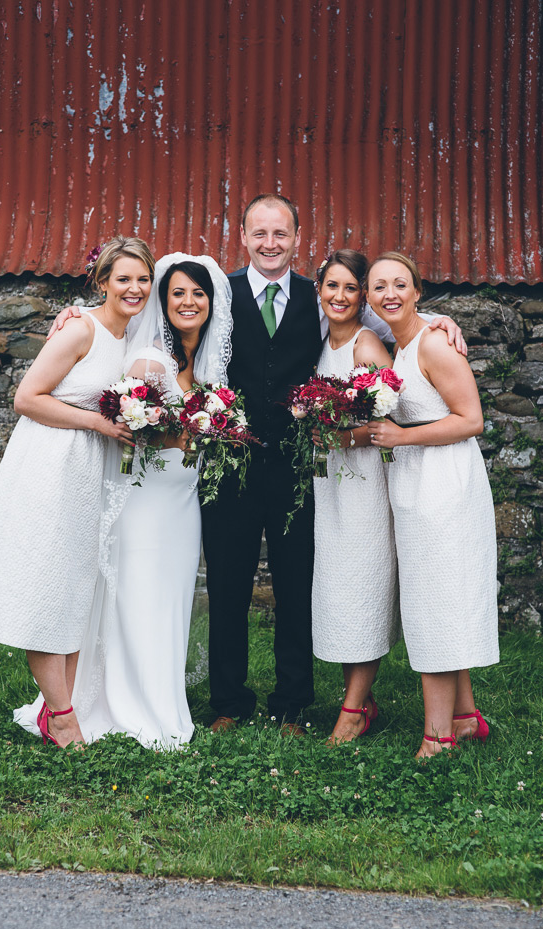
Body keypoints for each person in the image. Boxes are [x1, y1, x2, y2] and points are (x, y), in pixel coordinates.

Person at [202, 194, 467, 736]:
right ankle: (228, 701)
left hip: (300, 473)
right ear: (243, 236)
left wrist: (446, 321)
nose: (270, 244)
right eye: (260, 233)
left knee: (297, 584)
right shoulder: (221, 293)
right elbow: (160, 321)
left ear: (297, 238)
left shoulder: (318, 296)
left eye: (281, 234)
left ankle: (292, 704)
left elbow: (396, 317)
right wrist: (79, 312)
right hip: (233, 462)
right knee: (227, 584)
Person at [15, 254, 233, 749]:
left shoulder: (212, 363)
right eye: (177, 292)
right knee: (136, 597)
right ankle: (125, 704)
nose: (188, 302)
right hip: (146, 497)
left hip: (183, 501)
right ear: (163, 299)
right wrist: (179, 436)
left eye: (197, 293)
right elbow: (124, 421)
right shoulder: (152, 359)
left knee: (170, 599)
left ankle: (161, 698)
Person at [0, 236, 155, 748]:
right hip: (48, 467)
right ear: (102, 281)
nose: (134, 288)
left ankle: (57, 705)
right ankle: (61, 718)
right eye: (123, 278)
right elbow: (26, 398)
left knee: (73, 591)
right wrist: (97, 423)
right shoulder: (79, 329)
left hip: (90, 473)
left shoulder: (129, 339)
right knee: (48, 590)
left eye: (142, 279)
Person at [366, 252, 498, 758]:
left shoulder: (435, 344)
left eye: (400, 284)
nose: (390, 294)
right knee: (434, 598)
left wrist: (401, 436)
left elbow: (472, 419)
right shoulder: (398, 349)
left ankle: (438, 736)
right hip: (418, 487)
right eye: (379, 287)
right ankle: (464, 717)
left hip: (446, 487)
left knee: (437, 604)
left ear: (419, 291)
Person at [311, 249, 400, 743]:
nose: (340, 297)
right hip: (333, 485)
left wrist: (338, 436)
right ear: (319, 291)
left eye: (350, 288)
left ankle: (352, 709)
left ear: (362, 296)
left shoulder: (366, 346)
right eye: (332, 287)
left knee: (364, 585)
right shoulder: (321, 341)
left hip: (365, 482)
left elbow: (394, 417)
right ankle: (361, 700)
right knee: (341, 589)